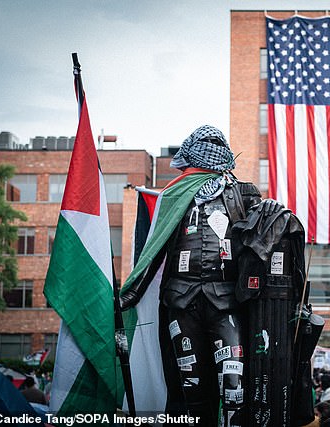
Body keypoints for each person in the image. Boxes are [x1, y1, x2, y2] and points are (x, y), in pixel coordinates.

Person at [120, 125, 281, 426]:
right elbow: (155, 249)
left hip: (227, 303)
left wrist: (271, 214)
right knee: (191, 387)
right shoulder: (174, 195)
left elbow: (259, 242)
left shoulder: (244, 193)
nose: (211, 143)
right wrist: (131, 293)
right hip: (182, 303)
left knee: (234, 382)